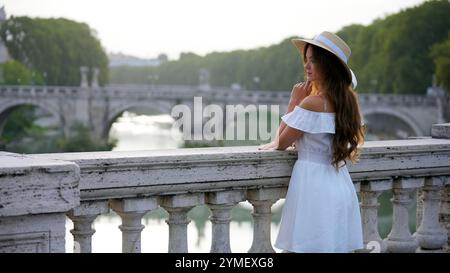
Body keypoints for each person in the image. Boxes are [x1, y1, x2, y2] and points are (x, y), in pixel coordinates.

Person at [259, 31, 365, 253]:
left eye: (314, 60)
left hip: (313, 186)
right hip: (339, 184)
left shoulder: (312, 103)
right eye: (306, 60)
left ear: (328, 65)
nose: (307, 66)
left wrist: (294, 102)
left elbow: (280, 142)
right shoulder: (348, 103)